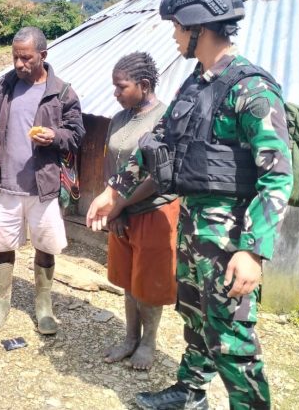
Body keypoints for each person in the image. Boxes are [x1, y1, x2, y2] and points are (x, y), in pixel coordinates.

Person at [87, 0, 293, 409]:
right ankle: (189, 393)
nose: (176, 35)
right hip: (194, 225)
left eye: (178, 26)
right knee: (195, 318)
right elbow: (156, 144)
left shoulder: (252, 89)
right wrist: (114, 190)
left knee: (233, 337)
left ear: (199, 26)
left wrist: (253, 250)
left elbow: (277, 178)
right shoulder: (193, 85)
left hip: (230, 237)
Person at [0, 26, 85, 335]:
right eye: (15, 57)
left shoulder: (62, 92)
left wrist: (54, 136)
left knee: (45, 246)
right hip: (7, 183)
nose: (19, 64)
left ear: (43, 55)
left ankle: (43, 306)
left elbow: (76, 134)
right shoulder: (5, 86)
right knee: (3, 246)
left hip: (43, 185)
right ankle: (1, 304)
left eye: (26, 58)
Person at [101, 51, 180, 370]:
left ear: (144, 85)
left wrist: (119, 204)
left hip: (154, 211)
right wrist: (115, 210)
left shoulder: (165, 121)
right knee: (128, 280)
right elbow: (110, 164)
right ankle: (130, 337)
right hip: (121, 212)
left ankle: (149, 342)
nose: (115, 93)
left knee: (149, 282)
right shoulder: (120, 117)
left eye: (121, 87)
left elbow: (157, 177)